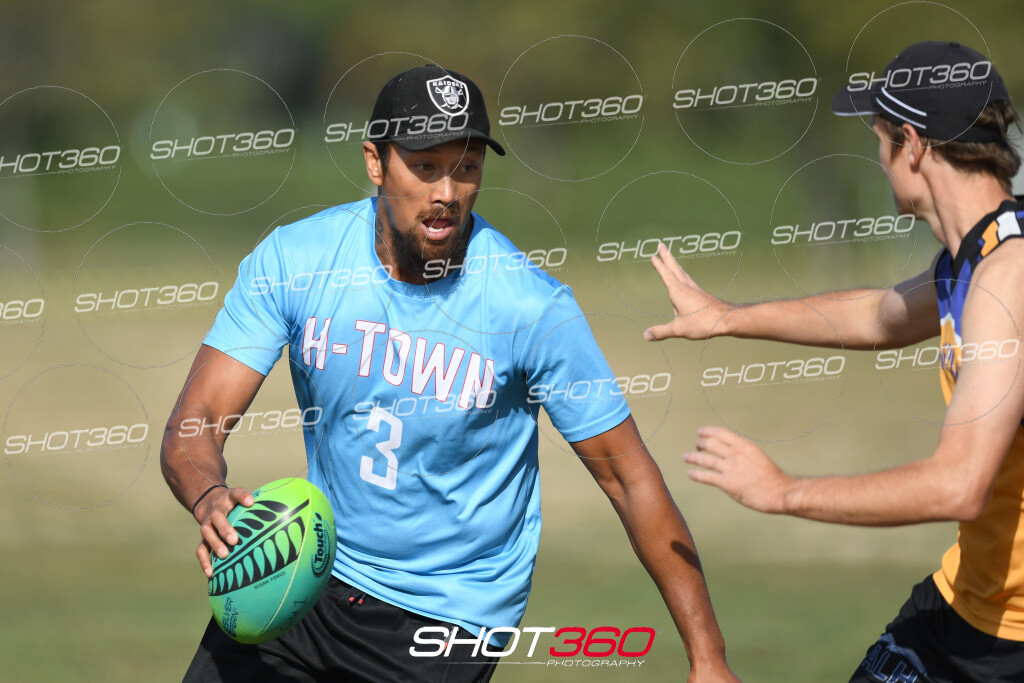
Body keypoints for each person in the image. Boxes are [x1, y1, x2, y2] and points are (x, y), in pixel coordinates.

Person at [161, 64, 737, 682]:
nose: (447, 192)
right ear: (375, 162)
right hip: (309, 571)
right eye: (425, 166)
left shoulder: (528, 307)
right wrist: (209, 495)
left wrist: (708, 660)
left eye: (466, 168)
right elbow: (197, 420)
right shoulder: (297, 261)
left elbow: (628, 477)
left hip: (445, 614)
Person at [646, 41, 1024, 682]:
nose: (879, 160)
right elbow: (878, 316)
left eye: (879, 140)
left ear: (912, 145)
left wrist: (783, 491)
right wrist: (724, 316)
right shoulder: (978, 255)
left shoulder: (1008, 277)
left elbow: (958, 484)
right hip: (962, 606)